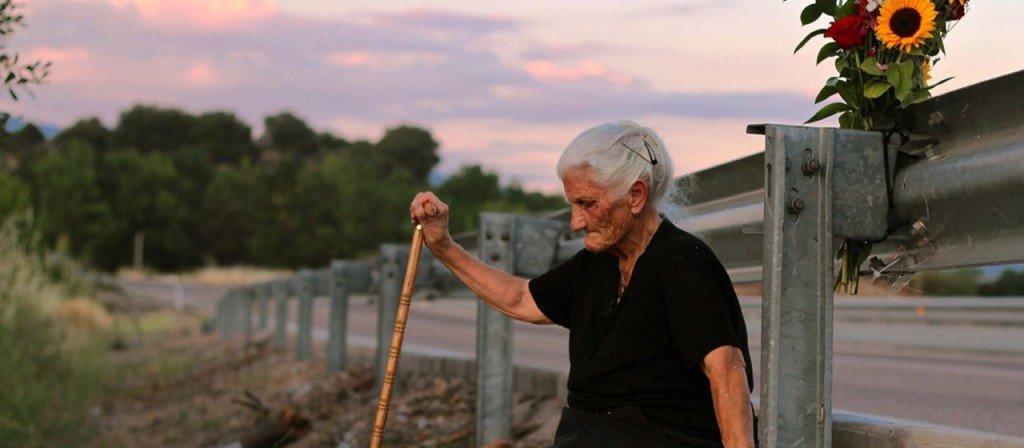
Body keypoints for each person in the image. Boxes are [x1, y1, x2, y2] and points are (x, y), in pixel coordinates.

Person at [409, 120, 756, 448]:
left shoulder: (681, 262)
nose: (576, 222)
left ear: (635, 196)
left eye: (587, 204)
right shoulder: (598, 262)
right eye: (573, 204)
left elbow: (725, 369)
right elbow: (519, 299)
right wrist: (443, 246)